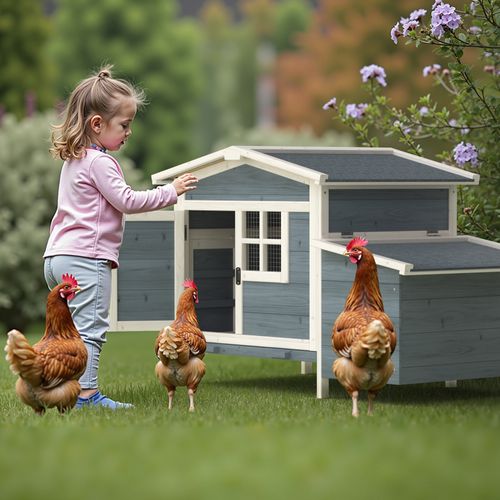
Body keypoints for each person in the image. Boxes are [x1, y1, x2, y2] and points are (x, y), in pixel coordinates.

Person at [44, 65, 198, 409]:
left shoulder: (74, 160)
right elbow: (127, 201)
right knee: (91, 329)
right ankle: (86, 395)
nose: (129, 132)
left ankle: (64, 389)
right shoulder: (101, 162)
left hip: (57, 258)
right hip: (87, 258)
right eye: (124, 125)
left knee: (70, 333)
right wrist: (170, 192)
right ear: (97, 124)